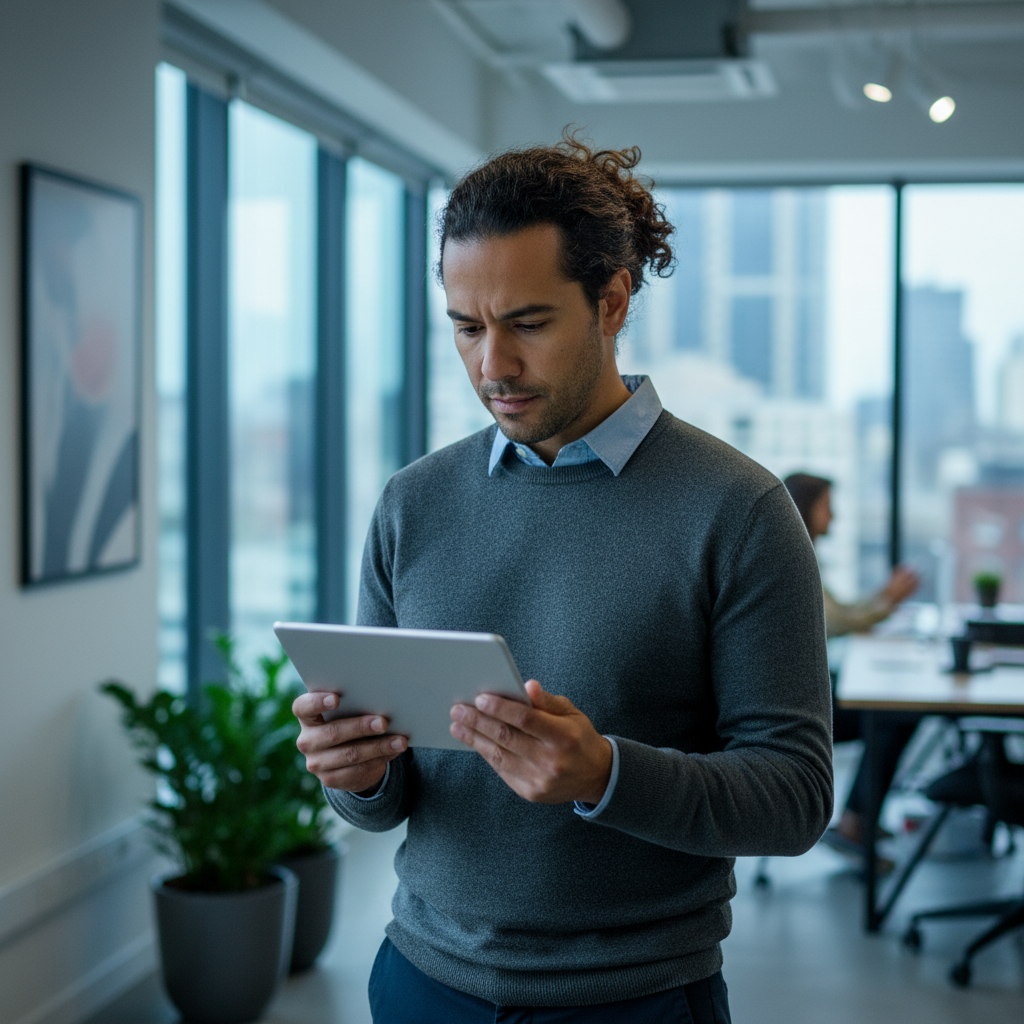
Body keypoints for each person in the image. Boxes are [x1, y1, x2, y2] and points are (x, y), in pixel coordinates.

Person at [294, 133, 833, 1024]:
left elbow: (795, 798)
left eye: (528, 324)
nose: (492, 366)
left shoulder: (738, 509)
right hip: (421, 981)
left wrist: (604, 774)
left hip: (636, 998)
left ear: (613, 301)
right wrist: (354, 775)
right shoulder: (412, 503)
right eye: (466, 328)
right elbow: (385, 805)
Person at [782, 472, 919, 858]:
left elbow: (840, 611)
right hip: (795, 704)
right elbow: (837, 621)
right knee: (891, 715)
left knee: (893, 709)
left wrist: (884, 599)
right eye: (828, 507)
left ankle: (860, 818)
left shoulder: (804, 552)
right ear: (808, 508)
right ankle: (857, 821)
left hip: (806, 688)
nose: (835, 517)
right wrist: (887, 601)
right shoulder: (791, 555)